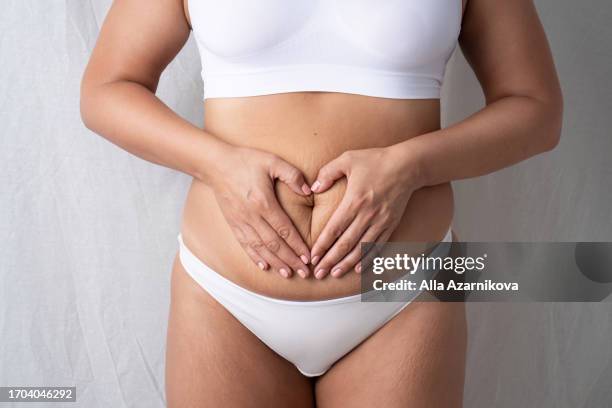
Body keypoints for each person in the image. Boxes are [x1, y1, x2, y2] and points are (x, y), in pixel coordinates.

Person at [80, 0, 563, 406]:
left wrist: (409, 166)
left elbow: (535, 107)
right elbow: (107, 88)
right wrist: (217, 164)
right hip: (224, 298)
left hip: (403, 297)